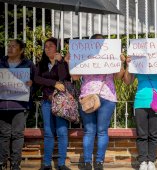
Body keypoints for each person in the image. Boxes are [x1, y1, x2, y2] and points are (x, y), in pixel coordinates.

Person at [66, 34, 125, 170]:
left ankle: (98, 162)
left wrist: (121, 62)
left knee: (100, 131)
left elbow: (118, 77)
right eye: (95, 43)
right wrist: (70, 62)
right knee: (90, 131)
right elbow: (74, 76)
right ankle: (88, 162)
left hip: (106, 96)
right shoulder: (85, 56)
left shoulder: (110, 56)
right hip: (89, 97)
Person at [123, 52, 157, 170]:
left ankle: (151, 161)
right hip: (140, 101)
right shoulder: (139, 63)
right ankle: (143, 161)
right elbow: (127, 81)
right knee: (142, 134)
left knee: (154, 133)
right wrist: (128, 65)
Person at [34, 37, 71, 170]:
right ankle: (46, 164)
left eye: (51, 45)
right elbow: (37, 79)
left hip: (61, 102)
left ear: (57, 48)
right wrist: (53, 83)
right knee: (49, 132)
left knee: (62, 132)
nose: (47, 48)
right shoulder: (41, 64)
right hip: (47, 101)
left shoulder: (63, 63)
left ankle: (61, 164)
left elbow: (63, 77)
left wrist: (60, 62)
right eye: (46, 46)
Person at [0, 39, 36, 170]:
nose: (9, 48)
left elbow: (36, 82)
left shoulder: (29, 64)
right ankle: (2, 162)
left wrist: (31, 85)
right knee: (3, 134)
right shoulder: (1, 63)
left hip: (20, 106)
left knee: (17, 134)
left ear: (21, 50)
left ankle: (15, 164)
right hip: (2, 104)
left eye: (13, 46)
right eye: (8, 46)